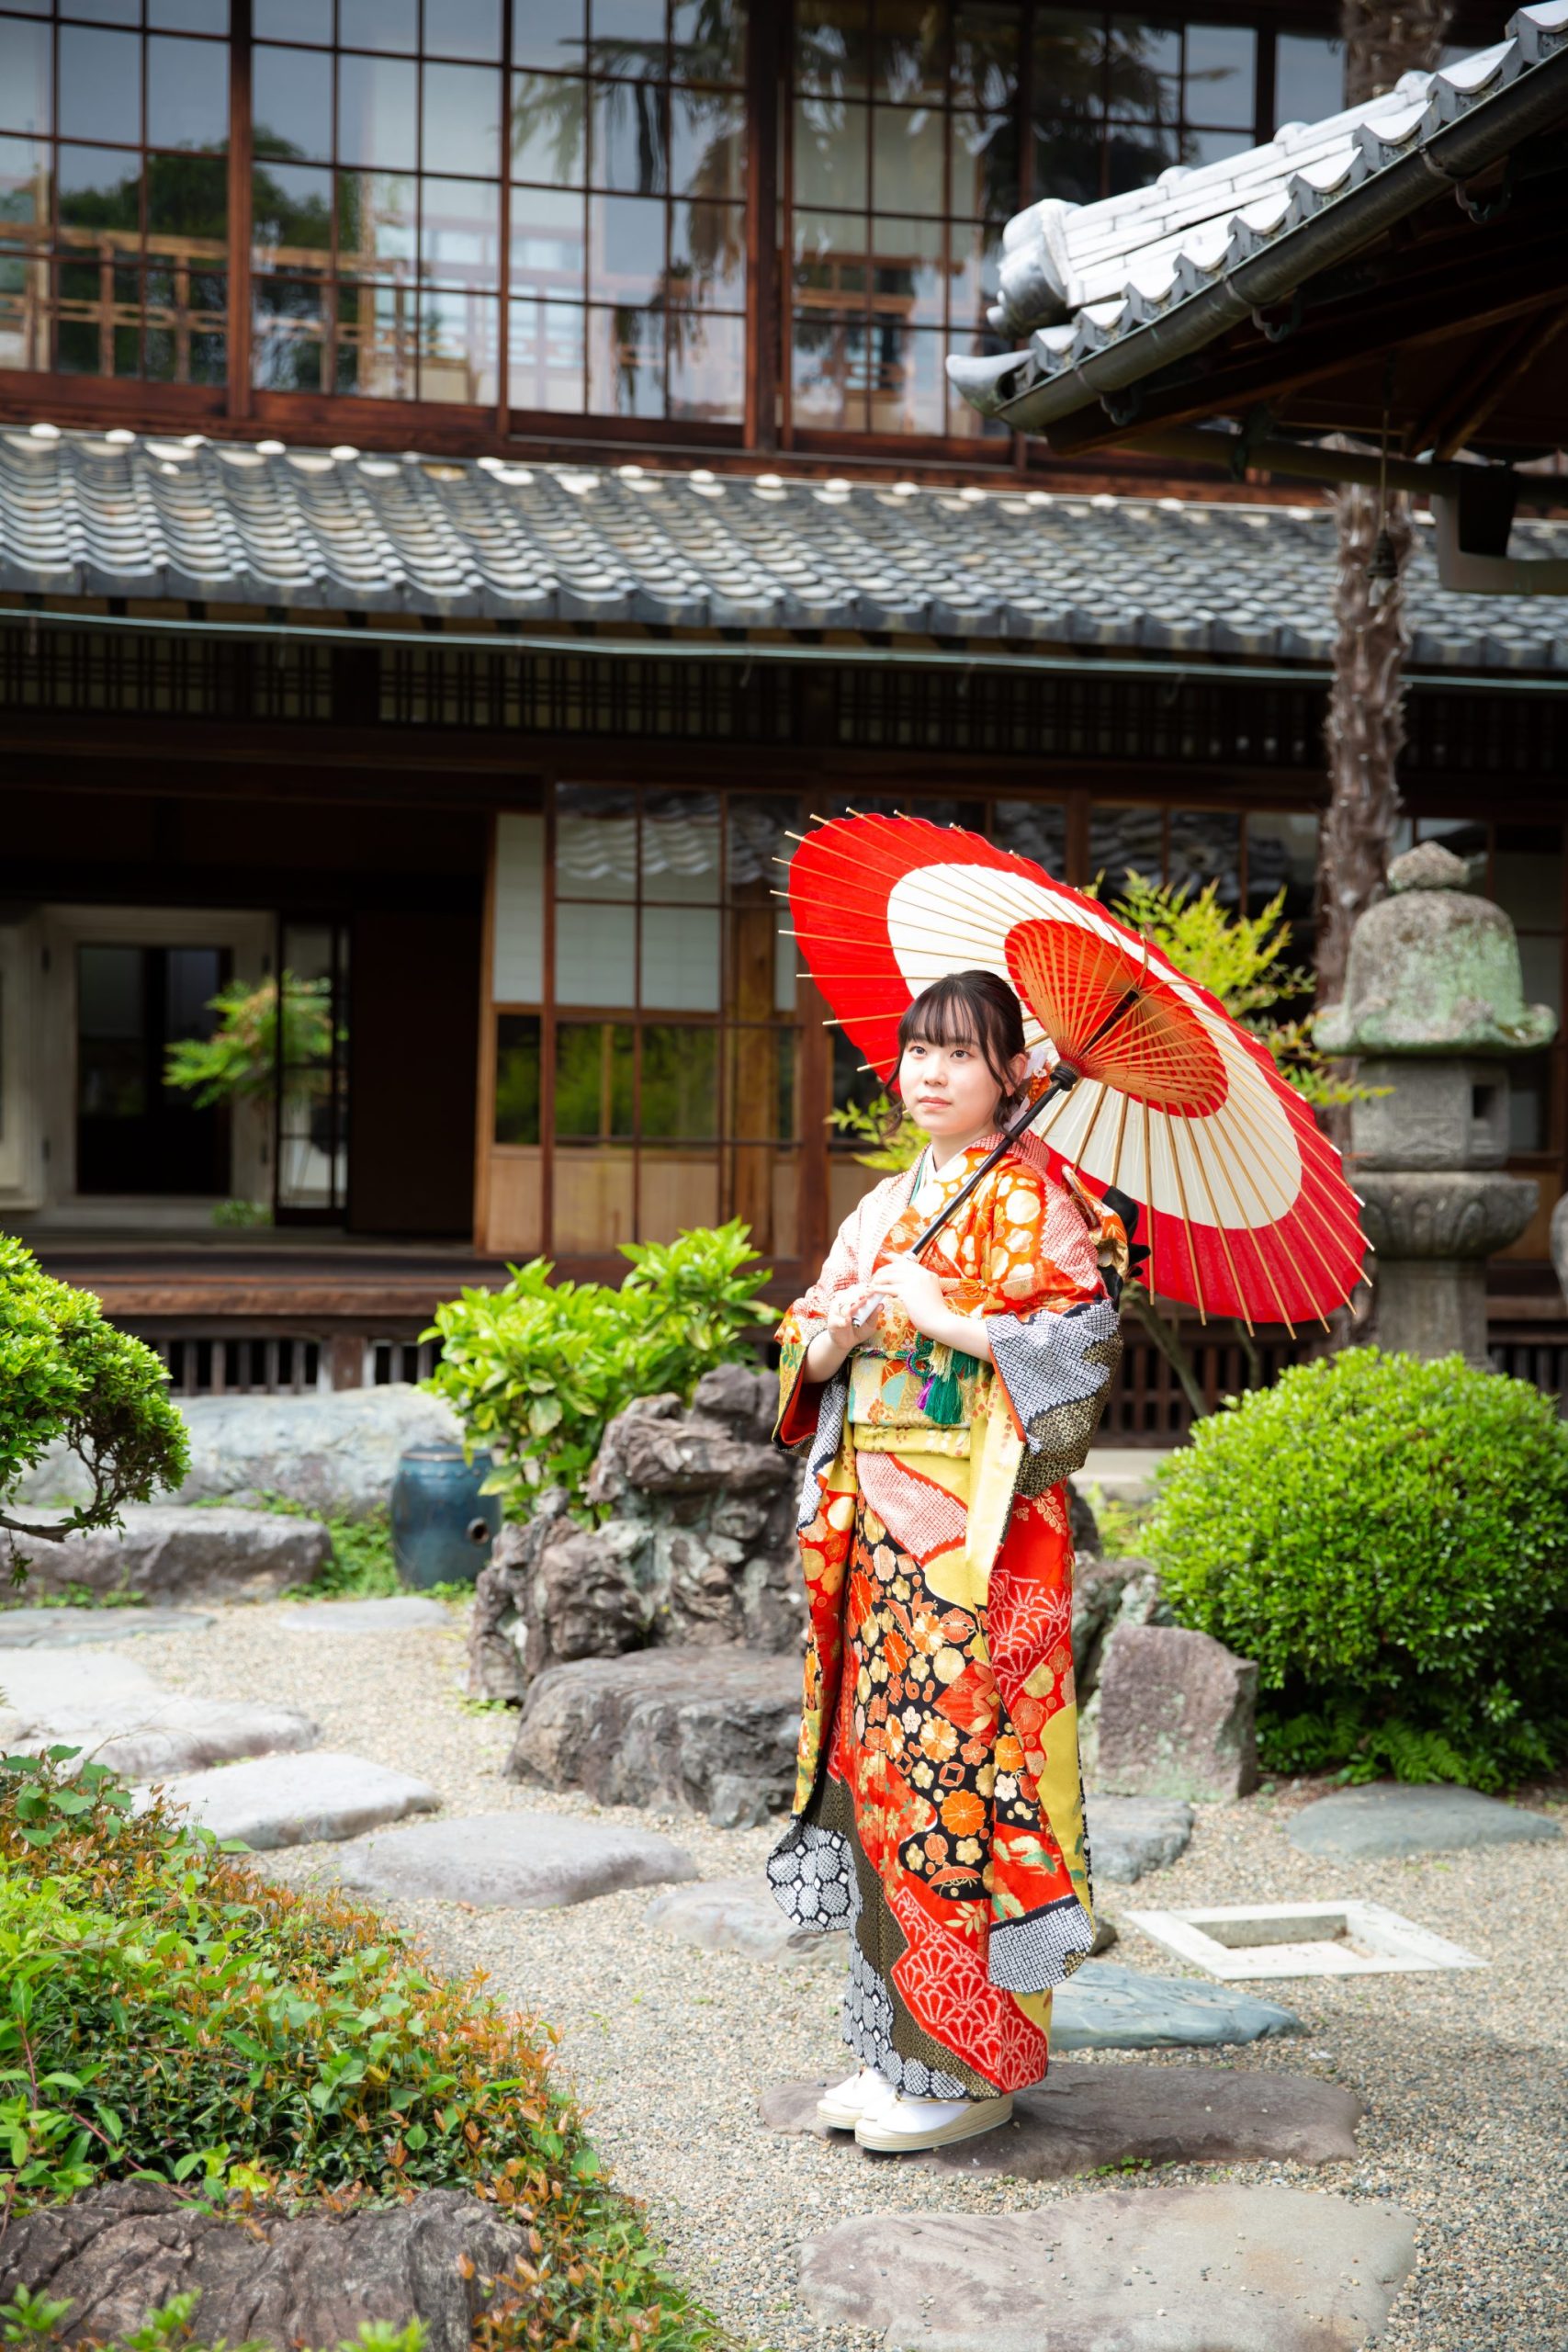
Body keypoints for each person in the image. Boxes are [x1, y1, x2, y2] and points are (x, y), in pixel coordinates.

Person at [767, 967, 1128, 2154]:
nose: (927, 1072)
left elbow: (1079, 1359)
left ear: (1013, 1075)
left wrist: (948, 1314)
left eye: (959, 1054)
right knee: (883, 1791)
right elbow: (806, 1339)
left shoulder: (1043, 1206)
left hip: (978, 1563)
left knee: (964, 1799)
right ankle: (897, 2050)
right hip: (879, 1548)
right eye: (917, 1050)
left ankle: (973, 2067)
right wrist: (827, 1340)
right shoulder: (883, 1206)